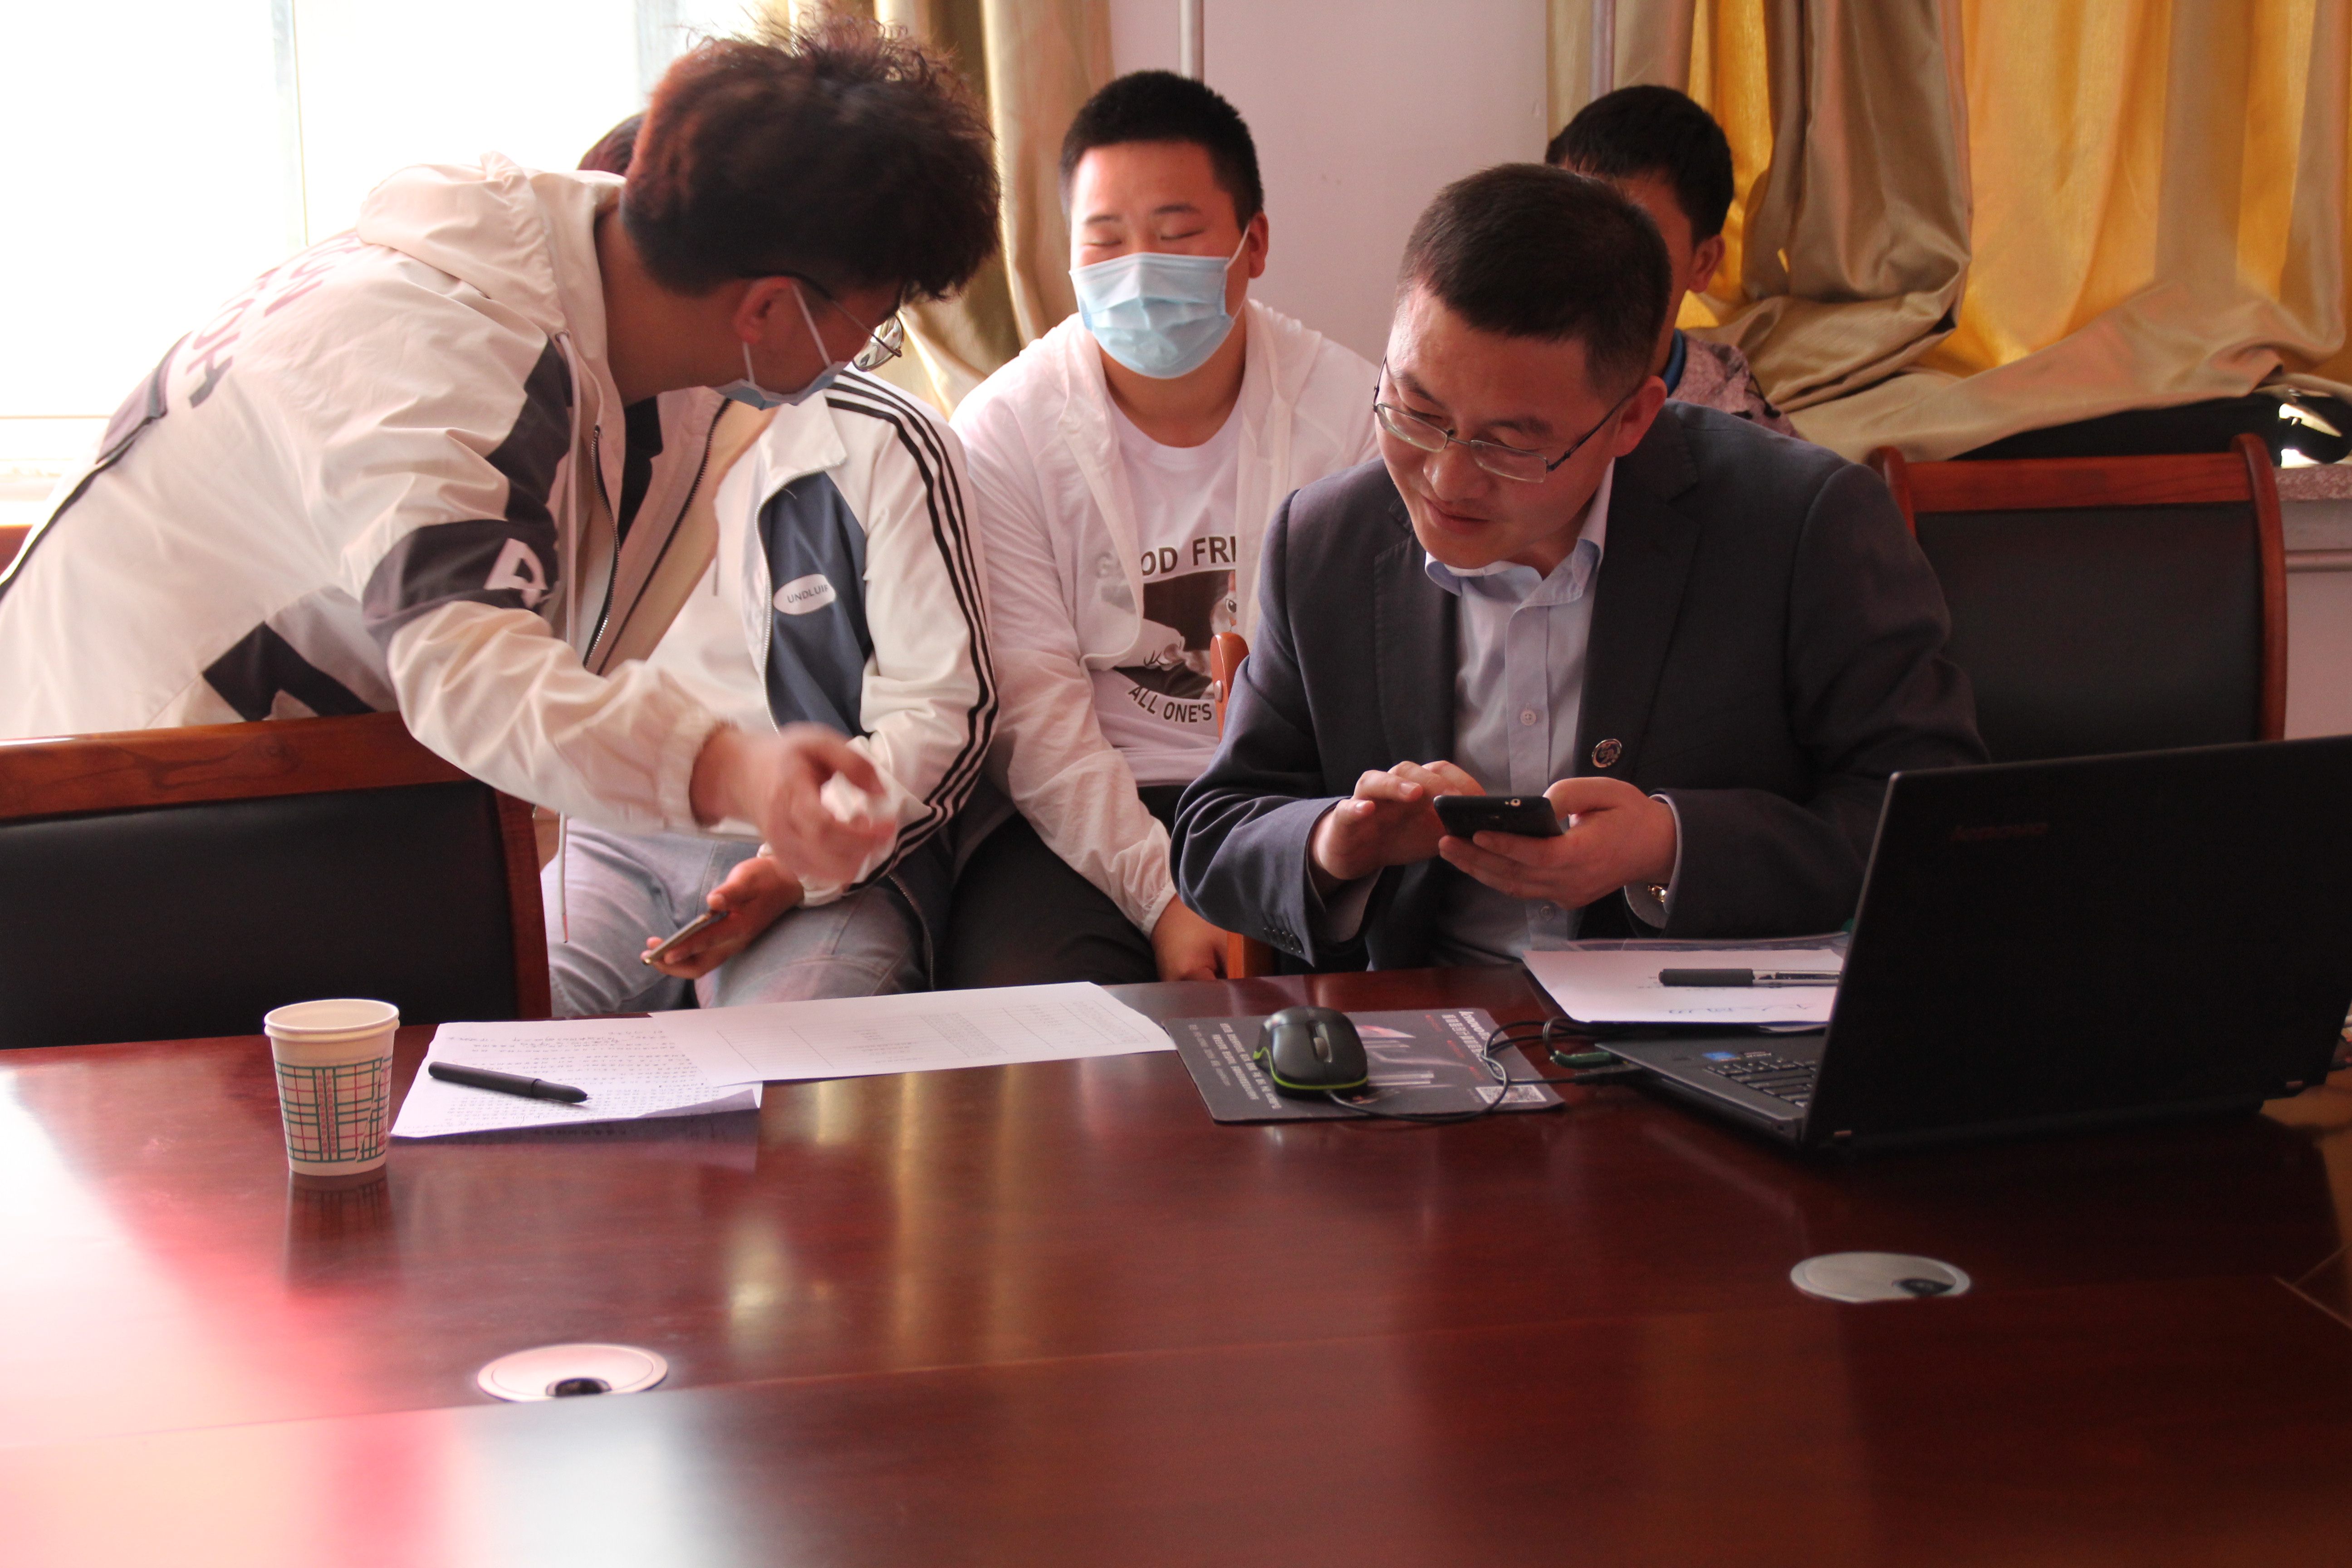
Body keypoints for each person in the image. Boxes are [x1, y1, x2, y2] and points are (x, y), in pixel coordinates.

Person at [0, 20, 1000, 913]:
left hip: (275, 789)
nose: (860, 358)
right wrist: (734, 769)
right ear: (769, 307)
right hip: (104, 801)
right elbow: (468, 671)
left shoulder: (636, 329)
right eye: (873, 324)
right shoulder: (438, 356)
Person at [1172, 166, 1983, 970]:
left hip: (1699, 1017)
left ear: (1631, 418)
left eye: (1508, 445)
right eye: (1416, 412)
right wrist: (1334, 843)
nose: (1446, 479)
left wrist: (1667, 846)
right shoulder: (1326, 541)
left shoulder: (1801, 525)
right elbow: (1217, 833)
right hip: (1427, 1015)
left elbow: (1933, 818)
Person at [535, 122, 993, 1015]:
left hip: (827, 846)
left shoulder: (886, 442)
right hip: (621, 835)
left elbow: (944, 710)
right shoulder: (575, 426)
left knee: (797, 1060)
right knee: (503, 1029)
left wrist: (796, 866)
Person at [945, 70, 1377, 988]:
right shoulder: (1004, 431)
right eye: (1104, 242)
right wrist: (1162, 897)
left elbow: (1363, 680)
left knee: (1363, 1002)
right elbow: (1035, 715)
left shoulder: (1349, 414)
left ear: (1254, 243)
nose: (1138, 272)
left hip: (1289, 799)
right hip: (1079, 813)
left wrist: (1266, 860)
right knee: (1051, 1028)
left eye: (1177, 237)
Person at [1547, 85, 1796, 436]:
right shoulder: (1490, 378)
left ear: (1703, 263)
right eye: (1572, 224)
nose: (1590, 258)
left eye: (1637, 233)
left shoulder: (1749, 443)